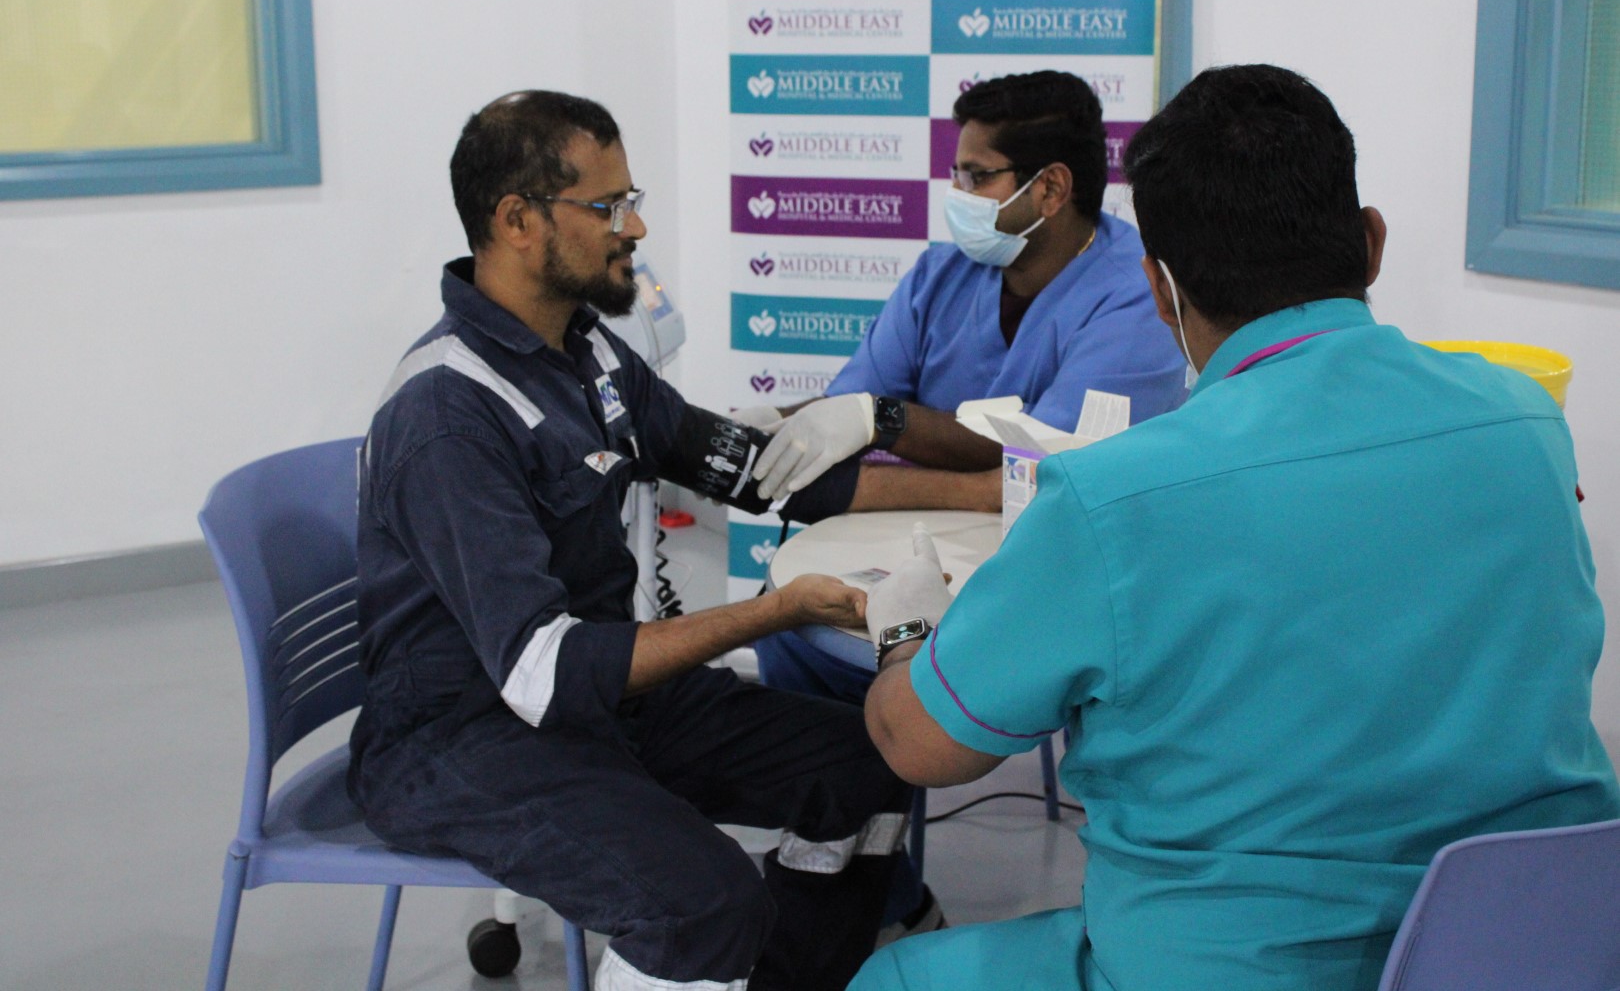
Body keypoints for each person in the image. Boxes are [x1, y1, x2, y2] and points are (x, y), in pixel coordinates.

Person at [851, 64, 1620, 991]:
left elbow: (921, 746)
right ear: (1371, 244)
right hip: (1528, 948)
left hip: (1239, 966)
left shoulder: (1110, 498)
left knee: (893, 978)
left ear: (1160, 290)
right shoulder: (1526, 421)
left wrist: (905, 627)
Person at [346, 90, 996, 991]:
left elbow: (764, 474)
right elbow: (543, 672)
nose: (636, 227)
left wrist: (990, 492)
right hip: (463, 741)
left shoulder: (588, 353)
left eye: (631, 199)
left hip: (596, 703)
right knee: (702, 904)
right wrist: (773, 613)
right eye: (608, 206)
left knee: (866, 762)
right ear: (518, 221)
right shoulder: (448, 417)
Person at [750, 70, 1186, 706]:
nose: (957, 194)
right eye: (956, 174)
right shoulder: (942, 273)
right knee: (791, 624)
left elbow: (1042, 460)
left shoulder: (1133, 294)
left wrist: (882, 427)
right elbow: (850, 404)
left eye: (977, 177)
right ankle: (847, 769)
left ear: (1051, 189)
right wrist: (762, 421)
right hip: (913, 544)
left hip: (1055, 567)